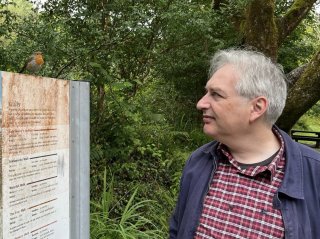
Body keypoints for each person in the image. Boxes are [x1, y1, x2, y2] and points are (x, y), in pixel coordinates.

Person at [169, 49, 320, 239]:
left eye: (216, 94)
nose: (201, 103)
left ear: (256, 108)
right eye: (206, 92)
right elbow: (177, 229)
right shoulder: (199, 161)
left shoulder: (315, 174)